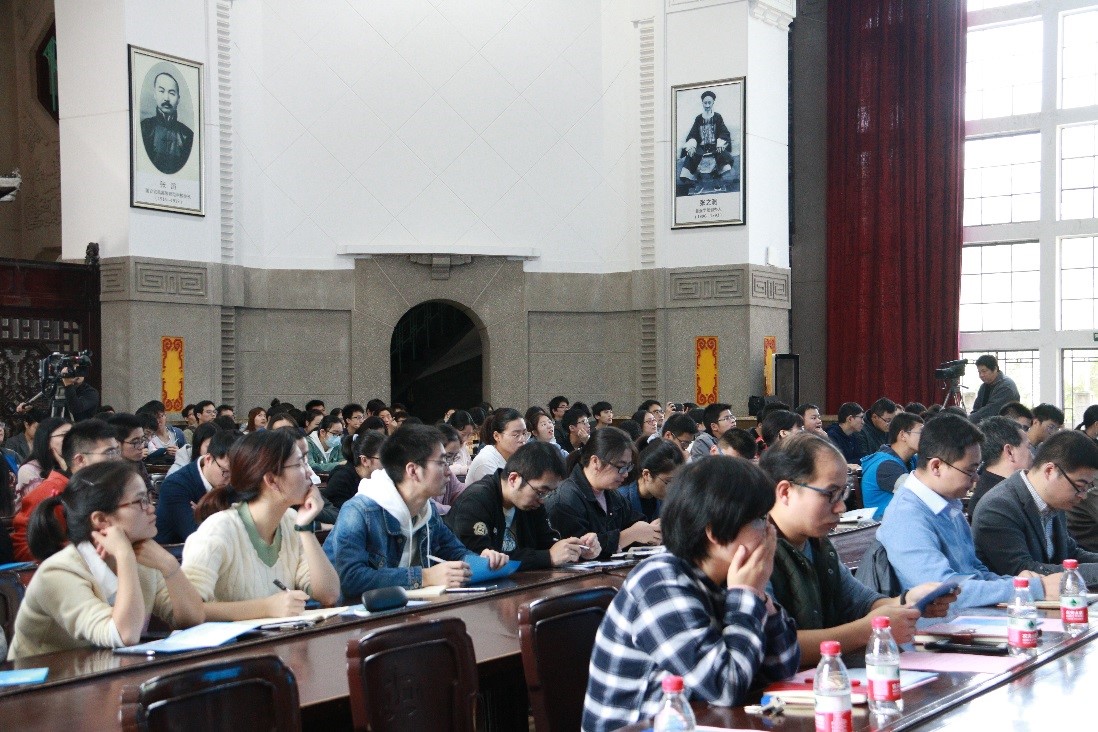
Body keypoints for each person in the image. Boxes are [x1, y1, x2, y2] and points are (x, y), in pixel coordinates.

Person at [582, 456, 800, 732]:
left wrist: (761, 600)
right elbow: (726, 687)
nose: (771, 531)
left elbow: (784, 669)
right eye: (759, 519)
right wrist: (748, 594)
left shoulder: (728, 577)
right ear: (715, 532)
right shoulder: (660, 583)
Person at [760, 433, 954, 665]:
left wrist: (909, 601)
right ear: (785, 492)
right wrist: (868, 629)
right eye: (831, 494)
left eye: (843, 493)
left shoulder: (817, 544)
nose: (841, 507)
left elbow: (861, 602)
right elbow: (774, 647)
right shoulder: (755, 550)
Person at [8, 461, 204, 659]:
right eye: (140, 501)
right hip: (47, 676)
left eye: (149, 497)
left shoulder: (143, 555)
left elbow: (193, 618)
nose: (151, 508)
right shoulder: (58, 572)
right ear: (101, 520)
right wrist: (124, 556)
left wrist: (169, 565)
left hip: (103, 670)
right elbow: (124, 634)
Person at [877, 414, 1060, 611]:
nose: (976, 479)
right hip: (938, 623)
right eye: (970, 471)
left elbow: (975, 571)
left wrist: (1018, 584)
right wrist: (1036, 588)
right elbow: (942, 592)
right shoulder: (906, 517)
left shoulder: (948, 504)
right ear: (936, 466)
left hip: (968, 615)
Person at [323, 424, 508, 597]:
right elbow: (349, 578)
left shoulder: (427, 510)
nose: (449, 472)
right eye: (442, 463)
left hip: (406, 610)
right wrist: (425, 576)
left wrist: (482, 561)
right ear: (412, 470)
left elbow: (455, 551)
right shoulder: (359, 511)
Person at [181, 429, 340, 620]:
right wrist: (265, 608)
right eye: (299, 464)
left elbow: (329, 594)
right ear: (271, 480)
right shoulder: (219, 529)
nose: (309, 472)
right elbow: (187, 611)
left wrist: (305, 528)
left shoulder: (290, 521)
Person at [446, 442, 600, 569]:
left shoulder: (532, 502)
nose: (543, 500)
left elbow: (546, 543)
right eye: (541, 492)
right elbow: (481, 560)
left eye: (549, 493)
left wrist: (577, 549)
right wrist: (548, 557)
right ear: (513, 479)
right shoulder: (475, 501)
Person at [973, 430, 1098, 584]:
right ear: (1050, 471)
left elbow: (1070, 554)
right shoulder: (998, 508)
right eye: (1079, 486)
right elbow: (1024, 571)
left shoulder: (1054, 501)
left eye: (1087, 488)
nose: (1083, 495)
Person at [11, 419, 120, 562]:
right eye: (110, 453)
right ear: (80, 460)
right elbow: (23, 549)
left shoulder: (101, 486)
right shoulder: (50, 491)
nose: (118, 459)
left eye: (117, 451)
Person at [544, 427, 660, 560]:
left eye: (628, 467)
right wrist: (629, 535)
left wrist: (653, 530)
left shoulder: (613, 496)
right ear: (596, 462)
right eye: (621, 467)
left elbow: (636, 524)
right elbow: (580, 550)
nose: (626, 474)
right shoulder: (564, 499)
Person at [154, 429, 239, 544]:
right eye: (226, 472)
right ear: (208, 459)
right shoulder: (175, 486)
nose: (231, 481)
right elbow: (198, 537)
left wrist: (207, 514)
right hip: (176, 550)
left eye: (237, 473)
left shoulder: (236, 480)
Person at [859, 412, 923, 520]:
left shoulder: (911, 460)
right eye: (921, 432)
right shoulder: (885, 465)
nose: (926, 438)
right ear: (903, 435)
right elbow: (919, 493)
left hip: (902, 520)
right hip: (881, 525)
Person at [967, 416, 1033, 518]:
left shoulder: (988, 488)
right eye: (1028, 447)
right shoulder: (996, 504)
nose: (1032, 456)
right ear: (1009, 452)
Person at [677, 89, 737, 191]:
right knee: (691, 156)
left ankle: (717, 179)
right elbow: (693, 134)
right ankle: (698, 182)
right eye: (705, 103)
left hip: (715, 147)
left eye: (709, 103)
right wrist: (691, 145)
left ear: (713, 102)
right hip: (701, 148)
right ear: (702, 103)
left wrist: (720, 142)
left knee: (723, 157)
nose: (707, 105)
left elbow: (724, 132)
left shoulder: (717, 117)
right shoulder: (698, 119)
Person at [616, 439, 683, 522]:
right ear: (646, 474)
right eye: (668, 482)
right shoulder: (620, 501)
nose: (673, 488)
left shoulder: (663, 499)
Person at [141, 71, 194, 175]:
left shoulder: (187, 135)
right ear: (155, 94)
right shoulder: (145, 128)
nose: (166, 98)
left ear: (178, 99)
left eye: (171, 93)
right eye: (161, 91)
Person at [321, 429, 384, 512]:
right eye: (383, 458)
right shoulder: (341, 478)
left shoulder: (381, 478)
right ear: (364, 460)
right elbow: (340, 513)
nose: (388, 463)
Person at [14, 417, 70, 510]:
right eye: (64, 435)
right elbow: (45, 508)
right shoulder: (28, 470)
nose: (71, 440)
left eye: (73, 435)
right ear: (46, 440)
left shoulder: (77, 463)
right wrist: (65, 474)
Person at [466, 408, 527, 484]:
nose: (522, 439)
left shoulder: (517, 457)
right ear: (497, 436)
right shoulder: (486, 462)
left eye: (524, 433)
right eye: (516, 435)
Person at [969, 354, 1021, 422]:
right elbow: (976, 409)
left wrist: (967, 420)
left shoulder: (1006, 386)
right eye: (979, 372)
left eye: (984, 371)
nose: (981, 375)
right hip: (988, 424)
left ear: (995, 369)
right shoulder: (984, 386)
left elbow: (990, 411)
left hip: (1006, 426)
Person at [825, 402, 865, 467]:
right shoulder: (832, 436)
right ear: (850, 419)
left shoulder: (854, 436)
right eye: (861, 418)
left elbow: (860, 457)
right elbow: (837, 463)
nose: (863, 422)